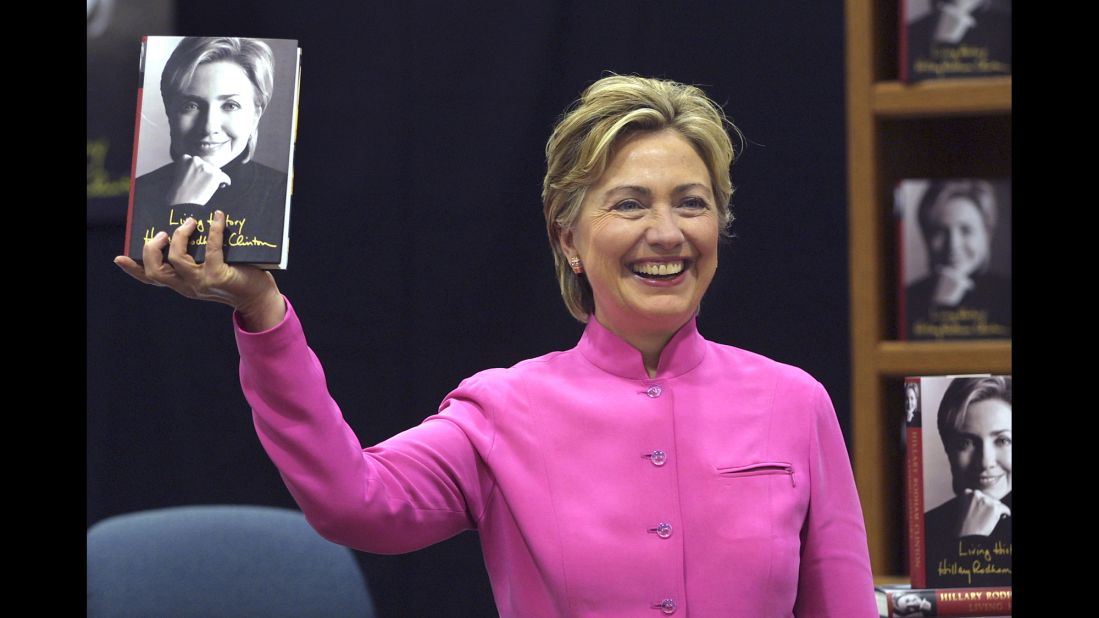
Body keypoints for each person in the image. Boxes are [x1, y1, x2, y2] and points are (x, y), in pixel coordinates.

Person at [114, 75, 877, 616]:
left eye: (692, 204)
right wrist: (262, 311)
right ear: (568, 239)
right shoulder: (502, 409)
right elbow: (356, 504)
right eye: (629, 204)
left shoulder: (794, 402)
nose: (666, 233)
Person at [128, 36, 289, 261]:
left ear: (256, 115)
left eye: (230, 105)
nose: (208, 127)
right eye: (191, 105)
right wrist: (183, 205)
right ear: (169, 112)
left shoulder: (283, 194)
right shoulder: (136, 195)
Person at [923, 376, 1011, 587]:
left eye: (1002, 440)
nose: (985, 462)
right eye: (966, 442)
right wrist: (971, 536)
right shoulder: (926, 529)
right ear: (948, 450)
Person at [904, 179, 1011, 338]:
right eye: (940, 231)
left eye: (966, 230)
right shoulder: (907, 299)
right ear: (927, 238)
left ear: (986, 235)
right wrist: (941, 305)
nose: (953, 245)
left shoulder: (1006, 294)